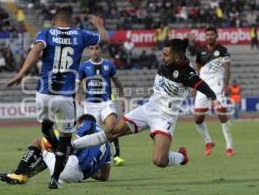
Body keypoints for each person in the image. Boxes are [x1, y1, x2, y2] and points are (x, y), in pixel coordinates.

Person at [71, 38, 223, 169]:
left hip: (166, 117)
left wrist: (213, 97)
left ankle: (182, 157)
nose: (162, 57)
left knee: (159, 161)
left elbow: (201, 84)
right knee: (112, 131)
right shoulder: (166, 63)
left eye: (166, 55)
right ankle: (72, 146)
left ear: (177, 57)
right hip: (150, 108)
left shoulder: (187, 74)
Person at [6, 7, 109, 189]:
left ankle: (49, 147)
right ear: (71, 21)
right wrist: (100, 26)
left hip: (44, 93)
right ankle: (54, 179)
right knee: (65, 139)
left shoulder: (46, 33)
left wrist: (22, 73)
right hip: (65, 97)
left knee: (46, 129)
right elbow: (106, 39)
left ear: (54, 21)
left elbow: (36, 50)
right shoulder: (81, 33)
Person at [0, 114, 111, 186]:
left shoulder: (88, 124)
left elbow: (72, 142)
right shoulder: (108, 147)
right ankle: (25, 175)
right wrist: (88, 168)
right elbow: (103, 177)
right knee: (53, 153)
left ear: (79, 123)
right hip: (77, 177)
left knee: (41, 141)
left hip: (70, 165)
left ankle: (19, 173)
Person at [75, 44, 125, 166]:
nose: (94, 51)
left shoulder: (109, 65)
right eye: (92, 49)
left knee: (112, 127)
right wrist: (76, 94)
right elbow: (76, 83)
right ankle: (84, 157)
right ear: (88, 51)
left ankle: (116, 156)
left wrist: (121, 97)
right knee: (89, 133)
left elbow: (117, 83)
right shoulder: (83, 66)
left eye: (97, 48)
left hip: (106, 102)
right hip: (90, 105)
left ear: (100, 50)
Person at [190, 27, 234, 156]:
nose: (209, 37)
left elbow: (227, 68)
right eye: (207, 35)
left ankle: (229, 146)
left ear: (216, 36)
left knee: (222, 115)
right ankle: (208, 142)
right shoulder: (200, 51)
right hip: (203, 87)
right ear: (205, 37)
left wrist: (226, 85)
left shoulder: (223, 51)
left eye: (212, 34)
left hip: (217, 86)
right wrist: (194, 85)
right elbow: (197, 68)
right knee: (198, 119)